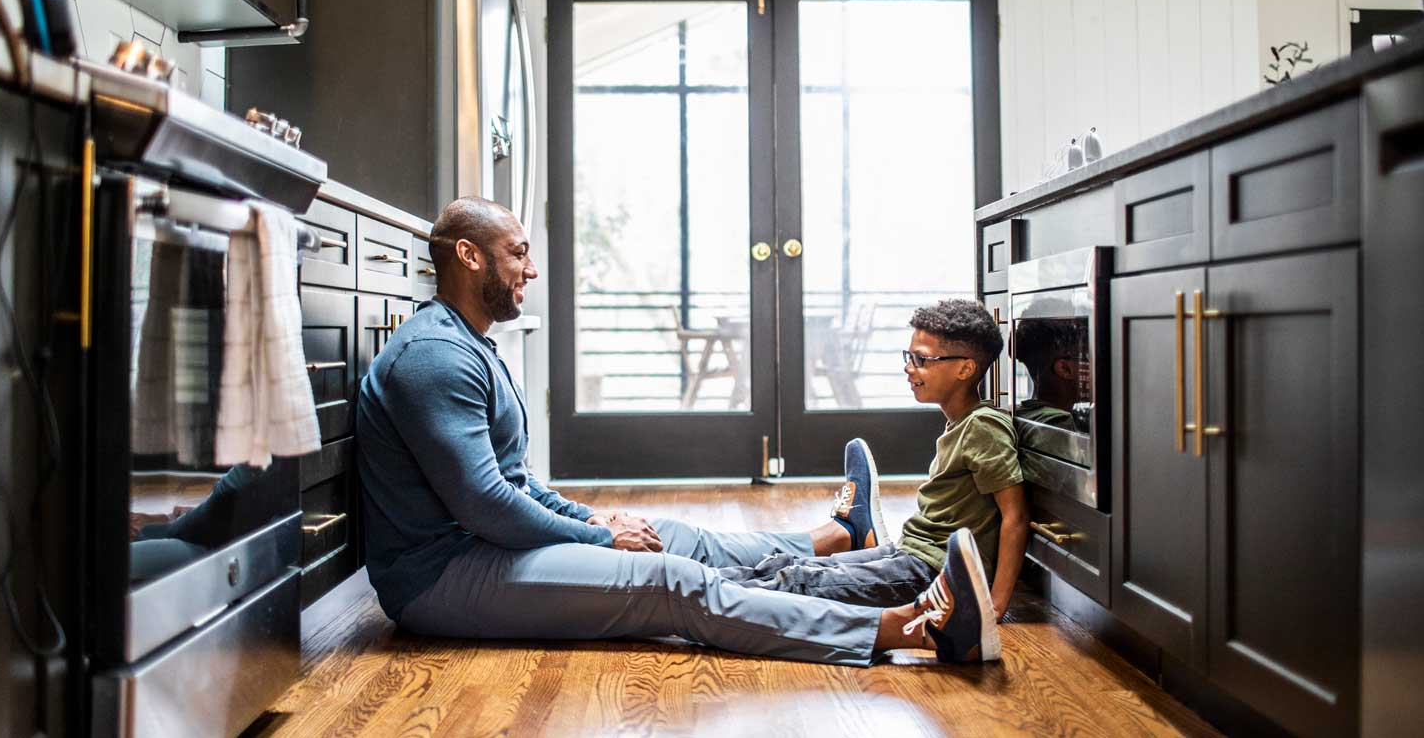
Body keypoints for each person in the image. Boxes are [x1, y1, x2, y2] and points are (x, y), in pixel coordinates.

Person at [353, 197, 1002, 666]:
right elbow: (484, 504)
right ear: (469, 256)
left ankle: (836, 538)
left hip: (484, 547)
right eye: (517, 253)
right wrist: (595, 532)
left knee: (671, 537)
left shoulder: (470, 346)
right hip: (440, 578)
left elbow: (514, 482)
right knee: (668, 582)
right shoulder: (434, 358)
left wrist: (591, 522)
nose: (531, 269)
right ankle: (915, 630)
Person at [717, 299, 1030, 619]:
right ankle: (687, 581)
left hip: (930, 573)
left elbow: (1015, 517)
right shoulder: (962, 423)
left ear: (965, 368)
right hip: (910, 554)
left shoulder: (983, 427)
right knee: (789, 565)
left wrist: (995, 604)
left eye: (922, 359)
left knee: (799, 582)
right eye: (909, 356)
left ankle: (693, 595)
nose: (909, 367)